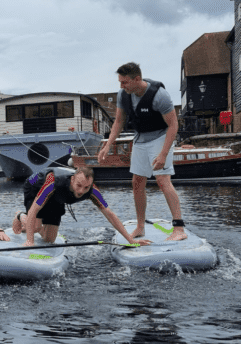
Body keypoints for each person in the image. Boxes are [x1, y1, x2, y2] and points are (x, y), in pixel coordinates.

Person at [98, 62, 187, 241]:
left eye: (124, 82)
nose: (121, 86)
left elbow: (173, 125)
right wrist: (108, 144)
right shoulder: (124, 94)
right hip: (140, 138)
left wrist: (163, 154)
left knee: (162, 180)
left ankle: (179, 229)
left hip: (161, 137)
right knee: (137, 182)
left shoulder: (159, 96)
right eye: (120, 82)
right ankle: (140, 227)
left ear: (136, 79)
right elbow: (119, 121)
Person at [12, 166, 151, 247]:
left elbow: (110, 214)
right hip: (35, 187)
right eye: (78, 185)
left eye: (86, 187)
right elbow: (35, 208)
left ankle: (30, 225)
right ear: (72, 179)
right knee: (36, 228)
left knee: (49, 239)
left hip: (58, 197)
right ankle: (20, 215)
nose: (81, 191)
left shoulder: (92, 191)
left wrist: (130, 240)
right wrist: (30, 241)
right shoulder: (52, 182)